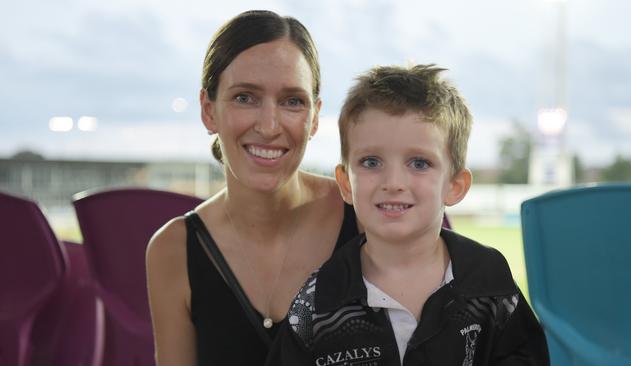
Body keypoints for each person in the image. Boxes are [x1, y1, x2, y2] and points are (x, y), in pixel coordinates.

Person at [266, 64, 549, 365]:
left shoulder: (487, 280)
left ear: (454, 186)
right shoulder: (318, 301)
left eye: (419, 163)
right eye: (371, 162)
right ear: (346, 183)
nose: (393, 183)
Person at [145, 10, 359, 366]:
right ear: (208, 110)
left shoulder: (365, 215)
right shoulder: (174, 250)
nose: (269, 125)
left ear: (316, 117)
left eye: (293, 101)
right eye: (245, 97)